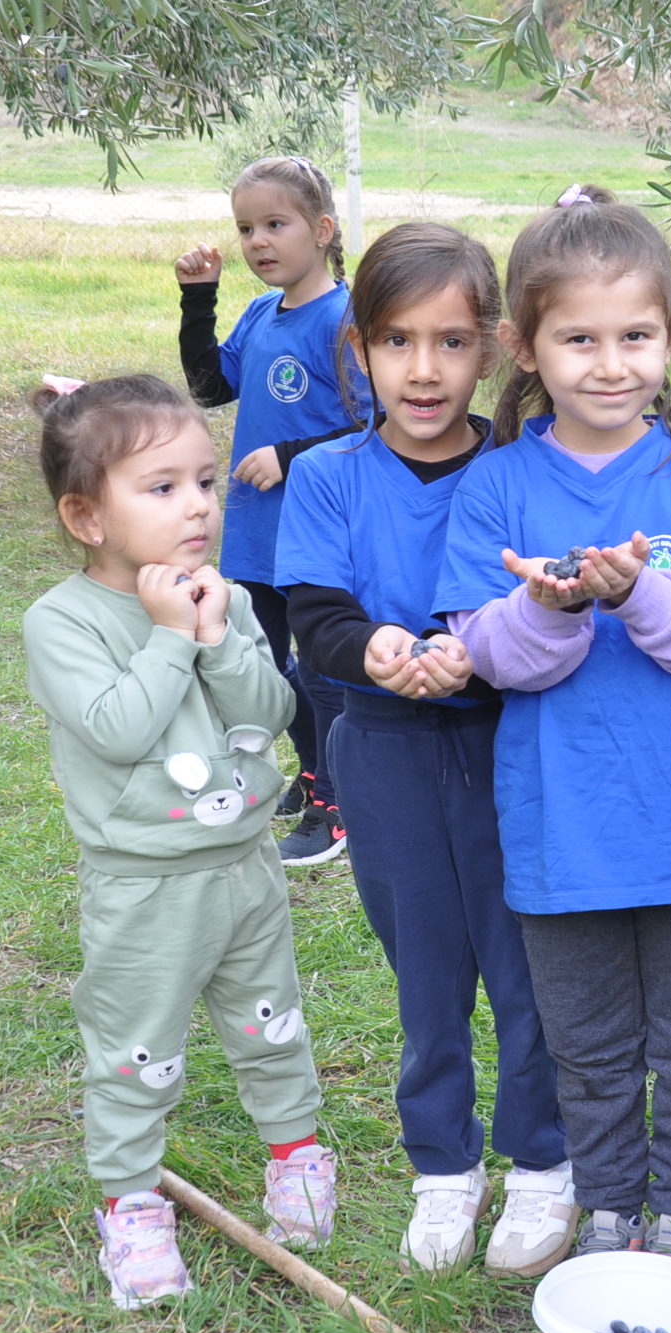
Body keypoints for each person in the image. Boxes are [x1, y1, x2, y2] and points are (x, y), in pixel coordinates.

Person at [433, 185, 671, 1270]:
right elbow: (485, 652)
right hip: (561, 832)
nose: (610, 362)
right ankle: (608, 1206)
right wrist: (548, 606)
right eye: (577, 338)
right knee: (584, 1045)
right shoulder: (494, 485)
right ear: (524, 347)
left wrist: (638, 595)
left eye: (634, 335)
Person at [273, 222, 576, 1279]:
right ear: (357, 348)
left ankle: (543, 1159)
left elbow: (546, 604)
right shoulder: (325, 474)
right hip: (384, 743)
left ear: (492, 346)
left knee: (526, 959)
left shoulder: (523, 468)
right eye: (398, 341)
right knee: (426, 969)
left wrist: (474, 654)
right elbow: (314, 612)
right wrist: (385, 646)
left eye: (450, 342)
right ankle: (444, 1165)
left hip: (510, 742)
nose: (424, 369)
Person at [21, 373, 334, 1310]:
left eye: (205, 481)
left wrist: (218, 632)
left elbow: (275, 708)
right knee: (136, 1048)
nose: (198, 505)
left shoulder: (225, 599)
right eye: (162, 488)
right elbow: (117, 728)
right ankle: (131, 1206)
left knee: (269, 1022)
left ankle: (296, 1157)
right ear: (87, 516)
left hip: (244, 867)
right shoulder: (62, 621)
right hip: (145, 889)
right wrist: (170, 637)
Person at [175, 155, 372, 868]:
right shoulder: (262, 311)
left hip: (315, 532)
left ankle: (338, 800)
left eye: (275, 224)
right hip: (257, 530)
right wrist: (200, 299)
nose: (258, 241)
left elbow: (378, 424)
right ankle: (315, 768)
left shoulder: (346, 320)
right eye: (246, 228)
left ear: (321, 230)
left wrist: (291, 454)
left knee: (321, 667)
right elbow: (208, 387)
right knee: (263, 662)